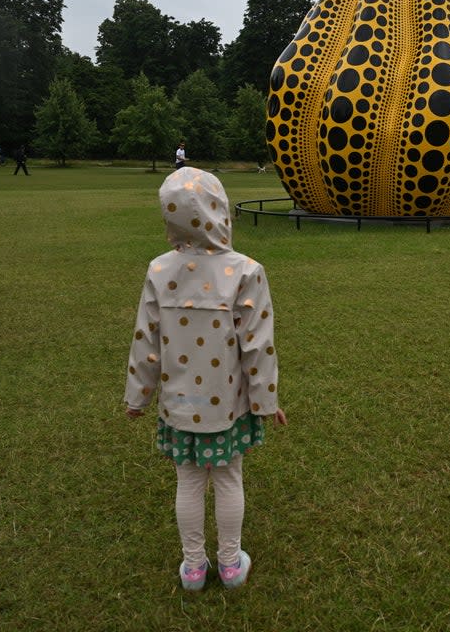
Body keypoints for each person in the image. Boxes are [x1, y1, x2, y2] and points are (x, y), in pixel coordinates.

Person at [124, 167, 286, 591]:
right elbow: (258, 346)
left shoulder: (160, 270)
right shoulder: (247, 270)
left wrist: (137, 397)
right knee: (229, 477)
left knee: (189, 480)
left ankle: (194, 568)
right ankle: (230, 565)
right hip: (228, 405)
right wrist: (265, 401)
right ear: (219, 210)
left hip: (179, 405)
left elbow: (147, 340)